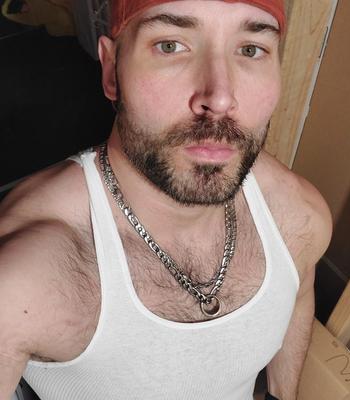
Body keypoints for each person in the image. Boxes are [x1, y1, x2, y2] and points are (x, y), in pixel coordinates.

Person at [0, 0, 332, 399]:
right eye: (171, 46)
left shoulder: (298, 215)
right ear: (112, 71)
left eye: (250, 49)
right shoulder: (24, 281)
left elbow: (298, 296)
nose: (220, 98)